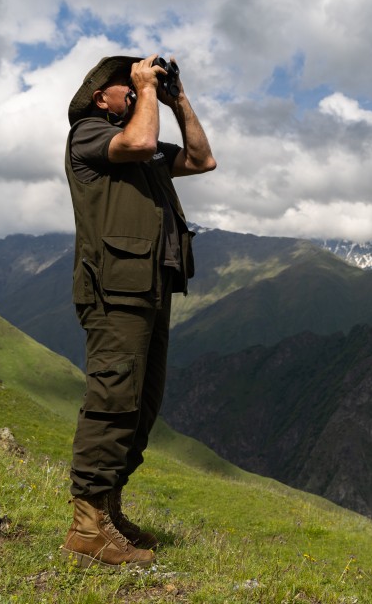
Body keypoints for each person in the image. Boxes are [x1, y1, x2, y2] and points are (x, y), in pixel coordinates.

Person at [60, 54, 216, 568]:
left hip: (151, 288)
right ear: (98, 95)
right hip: (114, 291)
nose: (133, 91)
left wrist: (178, 100)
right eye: (124, 85)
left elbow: (201, 159)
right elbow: (140, 141)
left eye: (137, 83)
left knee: (141, 408)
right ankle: (86, 529)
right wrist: (146, 89)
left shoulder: (142, 151)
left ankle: (108, 508)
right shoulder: (88, 134)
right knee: (111, 401)